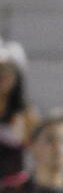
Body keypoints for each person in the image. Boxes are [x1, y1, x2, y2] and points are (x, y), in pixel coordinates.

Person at [0, 41, 33, 179]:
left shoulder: (26, 114)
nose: (2, 77)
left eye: (7, 72)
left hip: (11, 184)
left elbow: (32, 146)